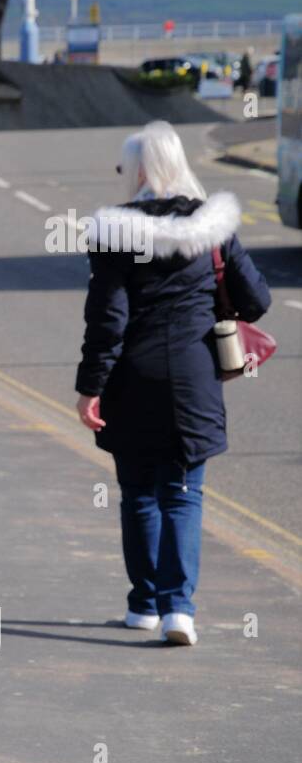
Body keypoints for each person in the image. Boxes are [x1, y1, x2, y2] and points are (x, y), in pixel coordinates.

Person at [75, 120, 270, 647]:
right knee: (182, 492)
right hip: (193, 376)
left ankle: (143, 604)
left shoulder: (116, 233)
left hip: (130, 379)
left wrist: (89, 386)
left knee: (137, 492)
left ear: (136, 171)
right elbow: (256, 300)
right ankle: (178, 610)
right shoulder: (214, 227)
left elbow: (107, 321)